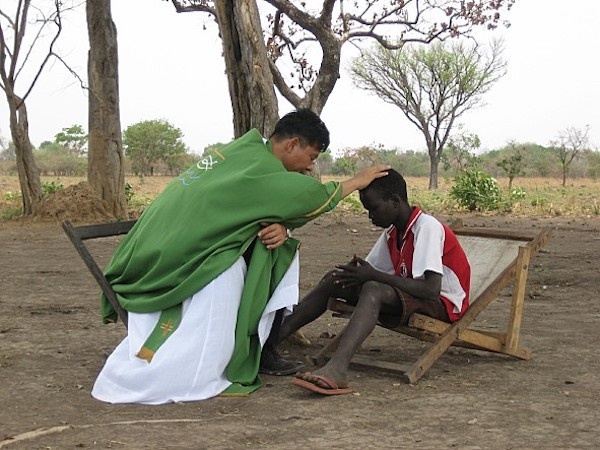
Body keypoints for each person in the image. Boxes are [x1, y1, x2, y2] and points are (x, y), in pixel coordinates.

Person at [91, 109, 390, 404]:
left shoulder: (242, 152)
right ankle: (255, 349)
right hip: (163, 257)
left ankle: (263, 346)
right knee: (275, 256)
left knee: (278, 243)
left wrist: (282, 226)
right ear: (292, 144)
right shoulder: (261, 169)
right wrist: (356, 182)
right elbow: (309, 196)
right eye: (311, 157)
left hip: (152, 242)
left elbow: (247, 207)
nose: (310, 167)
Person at [274, 168, 471, 395]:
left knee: (373, 289)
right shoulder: (393, 233)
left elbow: (430, 289)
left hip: (442, 304)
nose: (370, 216)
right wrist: (352, 274)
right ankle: (270, 342)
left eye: (374, 209)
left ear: (395, 201)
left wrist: (373, 276)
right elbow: (371, 269)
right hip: (413, 296)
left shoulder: (426, 227)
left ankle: (337, 369)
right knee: (335, 280)